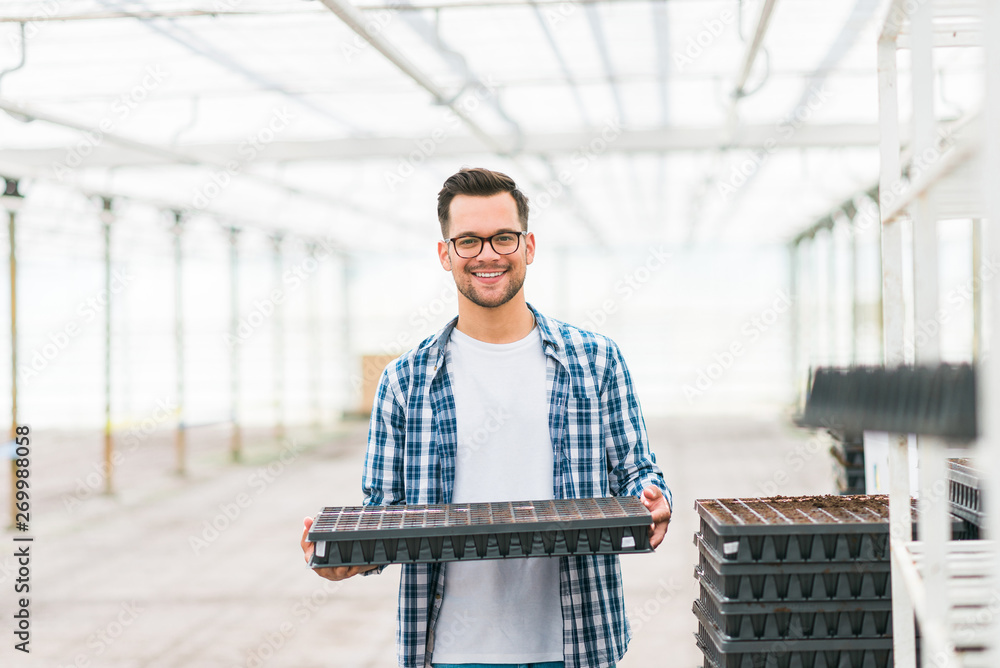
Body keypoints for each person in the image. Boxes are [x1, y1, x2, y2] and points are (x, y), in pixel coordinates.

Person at [301, 167, 671, 668]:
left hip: (578, 640)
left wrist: (653, 498)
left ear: (529, 245)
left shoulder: (597, 360)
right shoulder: (406, 381)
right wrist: (342, 557)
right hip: (452, 648)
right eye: (469, 241)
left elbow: (638, 472)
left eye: (503, 237)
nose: (489, 255)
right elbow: (384, 513)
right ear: (445, 254)